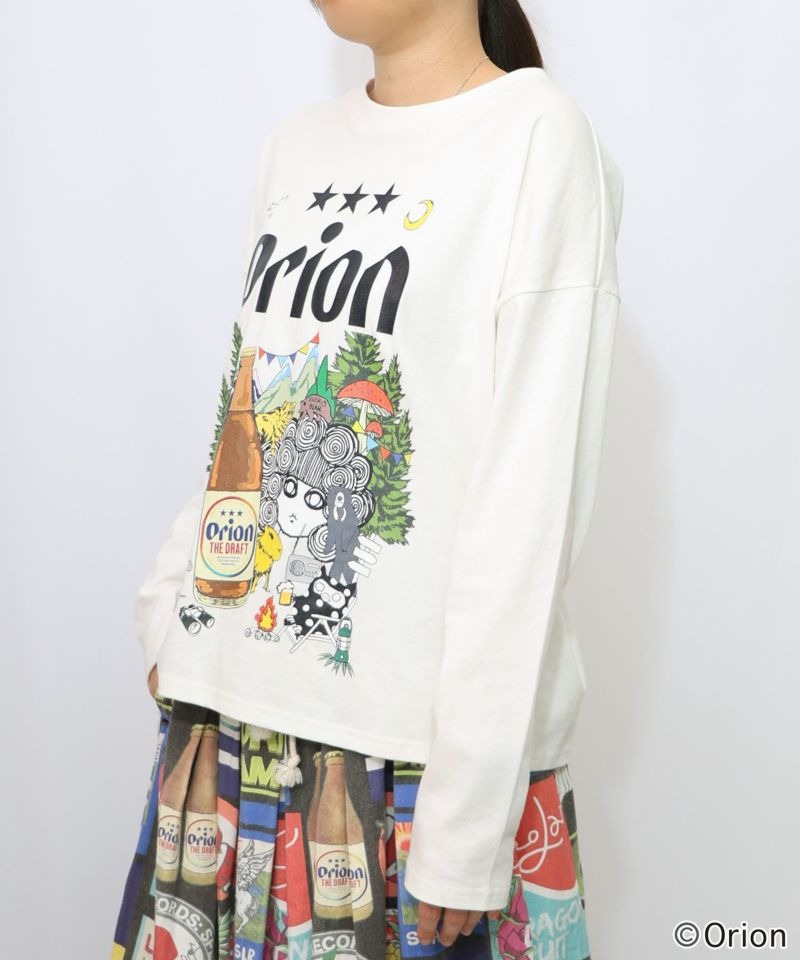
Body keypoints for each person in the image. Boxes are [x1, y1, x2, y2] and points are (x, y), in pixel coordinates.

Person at [110, 1, 624, 958]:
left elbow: (527, 506)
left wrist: (465, 825)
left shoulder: (538, 139)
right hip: (226, 733)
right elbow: (246, 405)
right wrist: (172, 613)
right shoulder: (295, 146)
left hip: (414, 771)